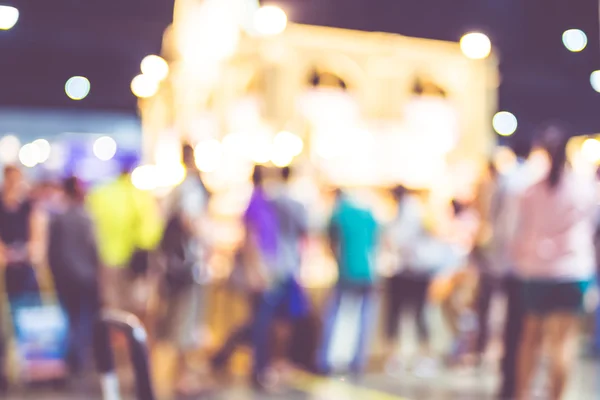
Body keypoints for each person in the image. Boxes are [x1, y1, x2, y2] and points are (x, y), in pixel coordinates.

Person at [512, 125, 597, 400]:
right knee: (563, 343)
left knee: (531, 340)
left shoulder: (531, 191)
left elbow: (519, 229)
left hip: (536, 269)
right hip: (572, 271)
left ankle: (524, 394)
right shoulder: (583, 189)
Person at [157, 143, 210, 396]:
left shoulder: (180, 188)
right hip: (188, 267)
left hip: (179, 266)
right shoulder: (189, 188)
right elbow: (189, 221)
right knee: (185, 322)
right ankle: (182, 378)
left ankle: (183, 375)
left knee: (183, 322)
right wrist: (207, 239)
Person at [251, 166, 309, 389]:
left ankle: (270, 365)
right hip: (279, 269)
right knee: (270, 321)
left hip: (275, 267)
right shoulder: (273, 202)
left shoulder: (270, 201)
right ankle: (267, 366)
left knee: (273, 320)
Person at [489, 136, 535, 399]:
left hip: (510, 264)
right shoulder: (529, 180)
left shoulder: (509, 180)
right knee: (525, 331)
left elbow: (498, 223)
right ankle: (519, 385)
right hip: (526, 266)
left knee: (511, 327)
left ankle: (511, 383)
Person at [87, 161, 162, 317]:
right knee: (132, 304)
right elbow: (151, 232)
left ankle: (113, 338)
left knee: (111, 303)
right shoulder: (139, 195)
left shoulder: (101, 194)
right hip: (132, 258)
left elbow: (91, 225)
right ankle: (129, 338)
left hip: (107, 256)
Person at [318, 189, 379, 377]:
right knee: (364, 317)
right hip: (367, 272)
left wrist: (337, 260)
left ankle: (324, 359)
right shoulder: (368, 214)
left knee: (334, 315)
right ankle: (358, 360)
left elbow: (330, 242)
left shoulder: (338, 213)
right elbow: (375, 243)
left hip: (346, 271)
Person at [48, 176, 101, 377]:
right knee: (82, 318)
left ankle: (70, 357)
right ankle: (77, 358)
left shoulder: (59, 218)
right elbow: (94, 249)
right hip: (85, 276)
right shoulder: (86, 218)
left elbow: (53, 252)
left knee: (70, 317)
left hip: (65, 277)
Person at [383, 186, 438, 377]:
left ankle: (422, 358)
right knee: (401, 316)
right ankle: (398, 358)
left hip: (413, 271)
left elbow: (401, 240)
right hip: (405, 270)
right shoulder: (402, 212)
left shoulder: (412, 212)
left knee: (415, 315)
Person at [0, 166, 46, 391]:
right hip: (4, 273)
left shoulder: (29, 206)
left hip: (25, 272)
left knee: (26, 317)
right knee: (4, 322)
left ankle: (30, 370)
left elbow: (37, 239)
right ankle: (7, 371)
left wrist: (27, 251)